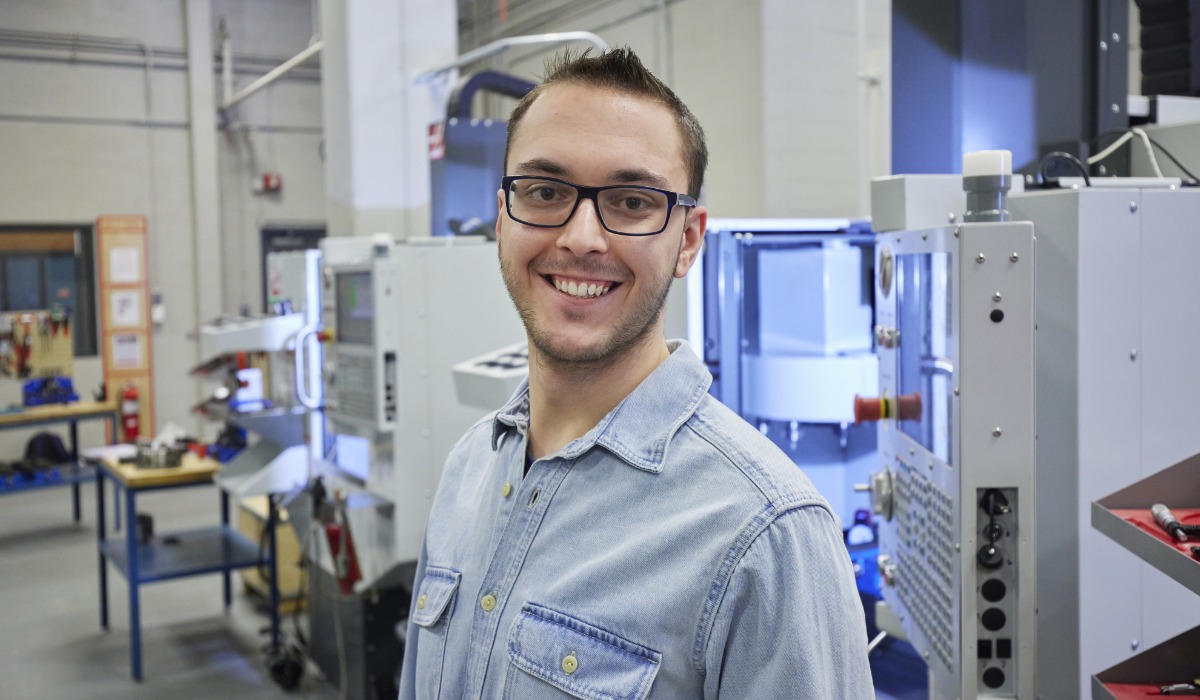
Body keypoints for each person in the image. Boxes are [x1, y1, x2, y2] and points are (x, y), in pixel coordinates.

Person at [398, 47, 873, 699]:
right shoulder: (467, 469)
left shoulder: (766, 534)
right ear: (502, 214)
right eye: (544, 191)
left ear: (689, 239)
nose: (582, 238)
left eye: (630, 201)